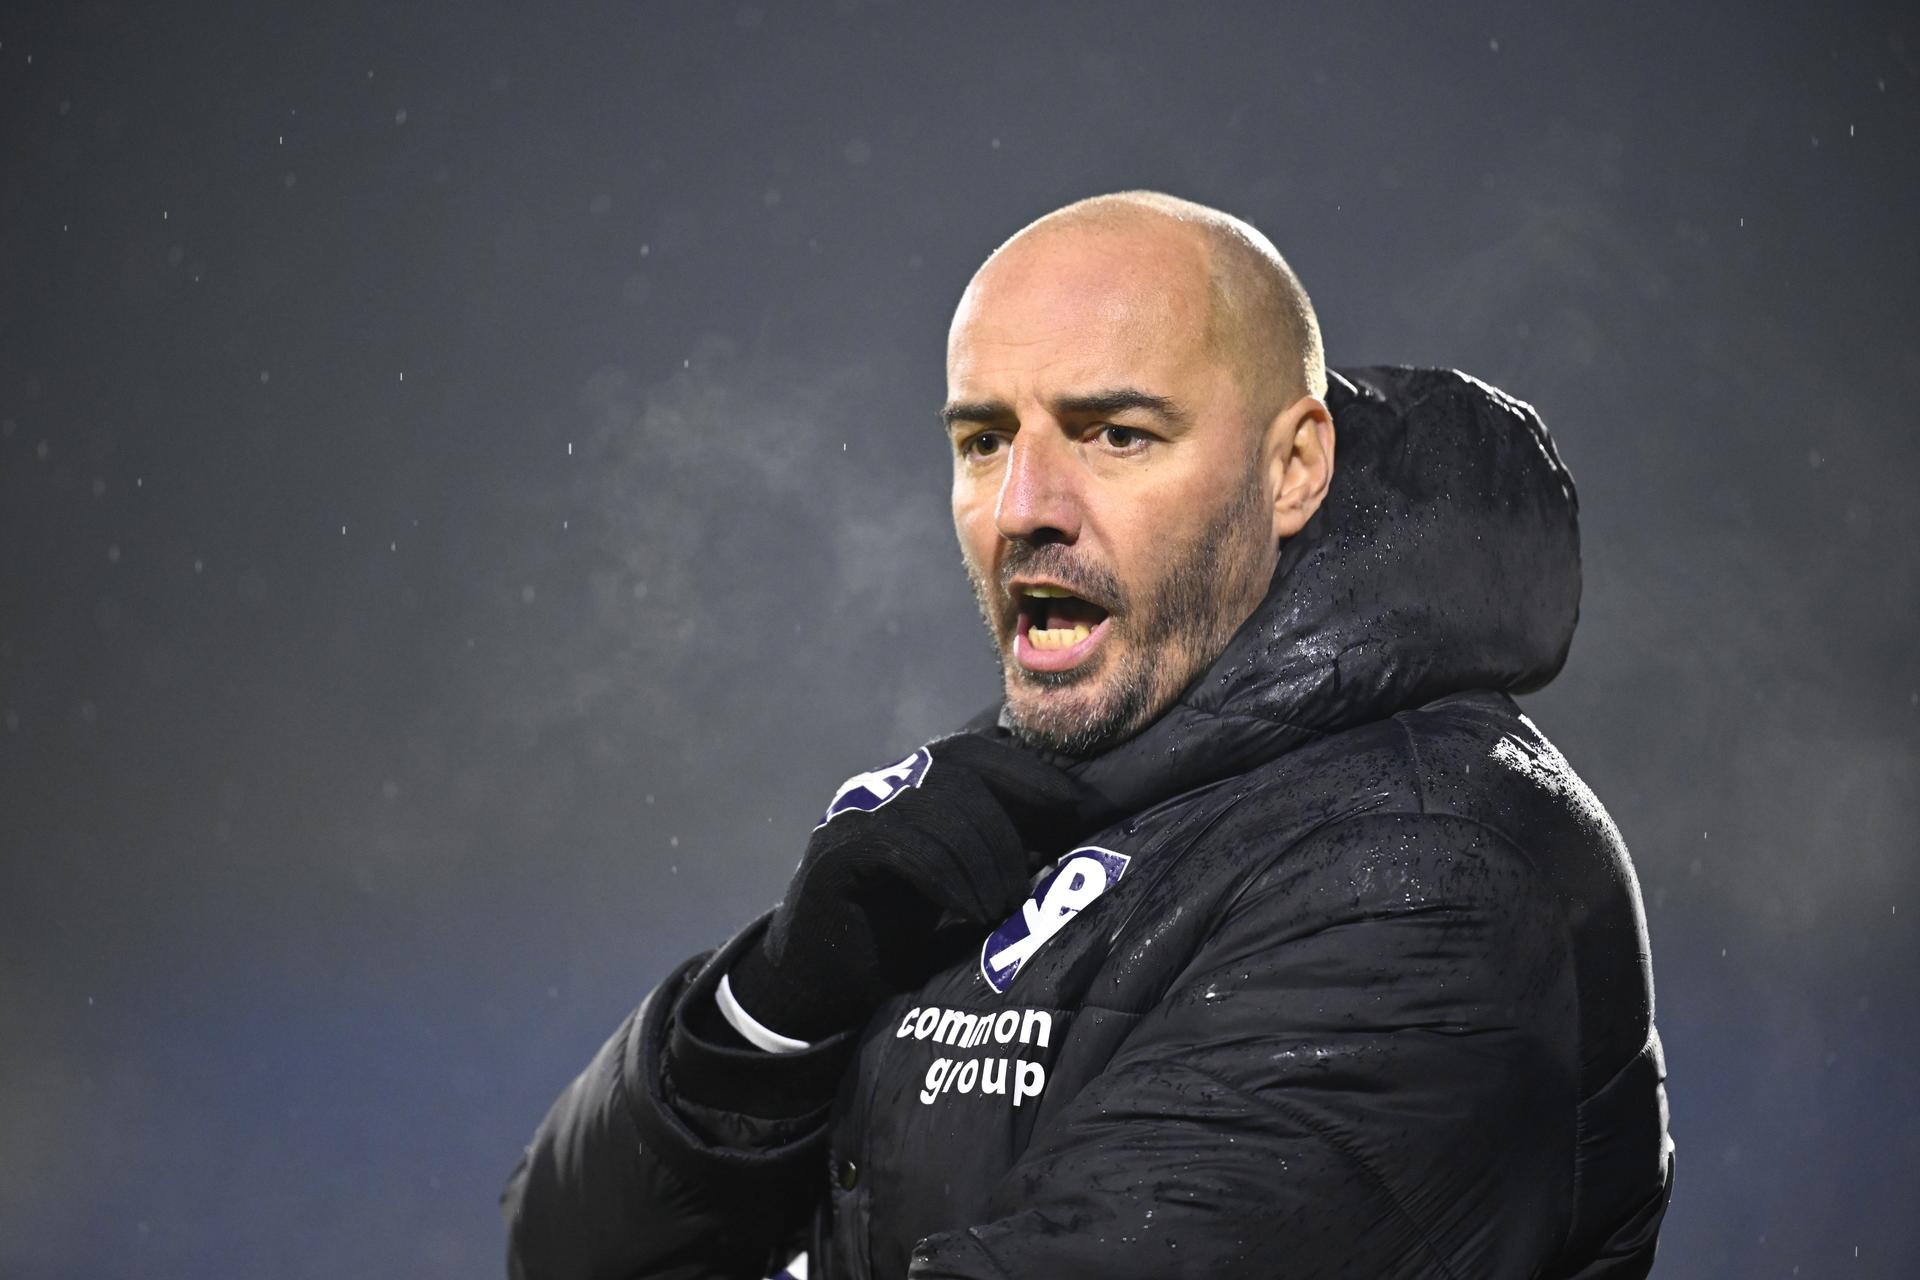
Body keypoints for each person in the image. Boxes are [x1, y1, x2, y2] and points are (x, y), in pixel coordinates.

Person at [502, 191, 1674, 1279]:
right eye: (983, 439)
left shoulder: (1437, 878)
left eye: (1113, 433)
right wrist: (769, 1012)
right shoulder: (1037, 793)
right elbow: (558, 1255)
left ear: (1293, 467)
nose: (1024, 506)